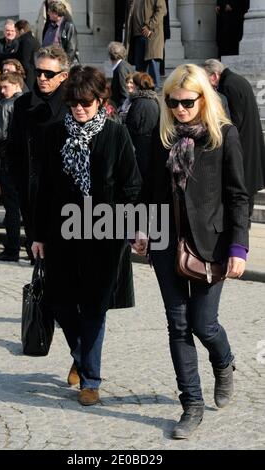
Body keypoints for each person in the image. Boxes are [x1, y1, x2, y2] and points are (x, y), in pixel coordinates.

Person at [133, 63, 249, 439]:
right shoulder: (162, 136)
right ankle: (192, 405)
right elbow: (150, 188)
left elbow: (237, 196)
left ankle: (224, 362)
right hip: (167, 242)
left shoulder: (223, 136)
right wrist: (140, 228)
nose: (180, 109)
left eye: (186, 102)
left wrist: (238, 247)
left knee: (204, 323)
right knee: (178, 324)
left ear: (203, 97)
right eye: (173, 102)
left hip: (211, 243)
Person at [32, 65, 142, 406]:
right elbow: (43, 187)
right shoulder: (53, 133)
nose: (80, 109)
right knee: (60, 303)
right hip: (62, 232)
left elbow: (132, 183)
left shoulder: (115, 133)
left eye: (87, 103)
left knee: (94, 306)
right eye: (74, 103)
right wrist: (37, 233)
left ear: (101, 101)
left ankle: (90, 379)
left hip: (104, 235)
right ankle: (81, 356)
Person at [7, 45, 69, 261]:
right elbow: (13, 146)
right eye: (38, 72)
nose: (42, 78)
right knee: (39, 262)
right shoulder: (23, 104)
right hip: (31, 194)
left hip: (64, 198)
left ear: (63, 76)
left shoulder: (72, 105)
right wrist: (17, 182)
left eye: (49, 74)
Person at [204, 59, 265, 220]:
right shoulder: (237, 80)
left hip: (242, 145)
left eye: (206, 79)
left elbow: (233, 121)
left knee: (242, 192)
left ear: (215, 75)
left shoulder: (228, 86)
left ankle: (242, 226)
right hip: (250, 143)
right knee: (247, 189)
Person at [0, 72, 24, 262]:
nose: (2, 91)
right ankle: (29, 249)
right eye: (1, 87)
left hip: (9, 159)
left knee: (12, 208)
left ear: (16, 85)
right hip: (26, 160)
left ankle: (12, 249)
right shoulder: (29, 101)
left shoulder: (7, 104)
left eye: (5, 87)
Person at [124, 0, 167, 91]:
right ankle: (141, 89)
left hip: (151, 35)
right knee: (139, 67)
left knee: (153, 62)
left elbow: (162, 10)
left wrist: (150, 26)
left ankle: (155, 91)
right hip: (137, 36)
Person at [126, 71, 159, 178]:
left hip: (140, 148)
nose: (131, 86)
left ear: (138, 86)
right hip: (151, 146)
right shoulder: (154, 100)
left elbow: (132, 125)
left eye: (133, 84)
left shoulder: (138, 102)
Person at [15, 20, 40, 90]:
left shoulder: (25, 41)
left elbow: (24, 60)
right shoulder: (33, 39)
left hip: (29, 75)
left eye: (16, 31)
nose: (15, 34)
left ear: (21, 30)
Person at [108, 41, 134, 109]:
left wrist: (122, 110)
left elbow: (125, 92)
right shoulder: (123, 65)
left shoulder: (121, 69)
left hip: (122, 107)